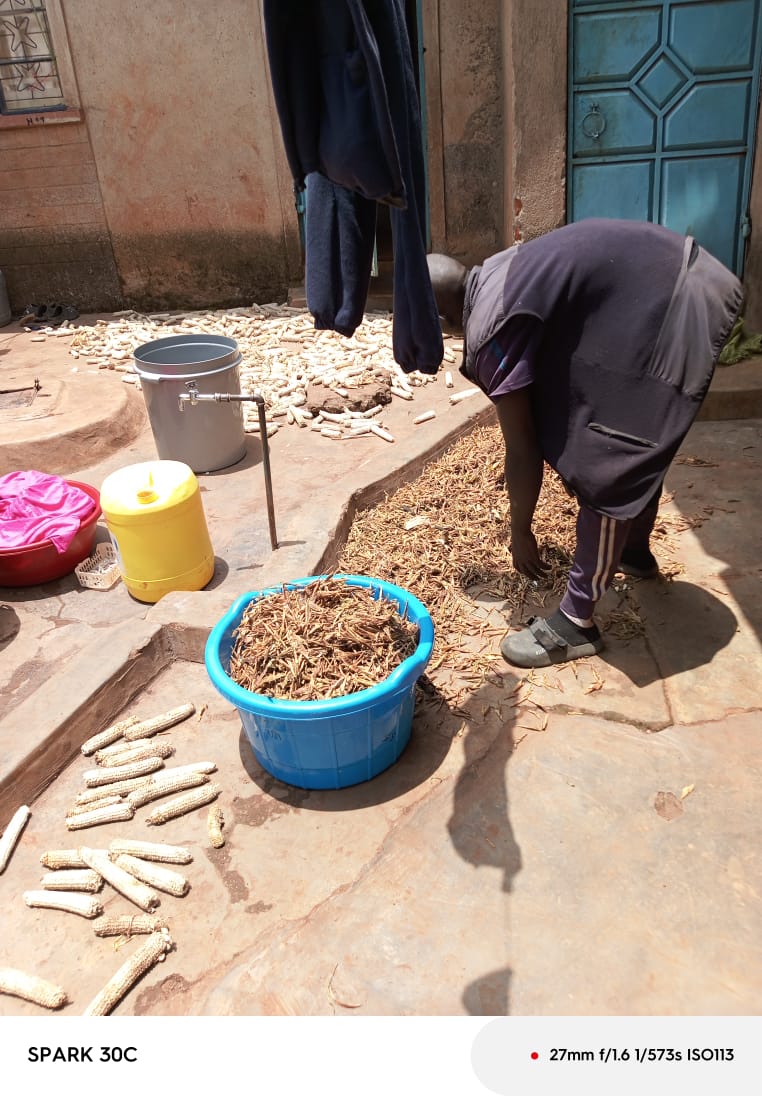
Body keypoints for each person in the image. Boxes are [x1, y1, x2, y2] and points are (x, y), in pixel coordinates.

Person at [427, 218, 744, 668]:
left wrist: (520, 532)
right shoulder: (496, 269)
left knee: (612, 453)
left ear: (442, 320)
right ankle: (632, 551)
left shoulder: (488, 329)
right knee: (630, 429)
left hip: (681, 306)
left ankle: (576, 622)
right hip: (694, 278)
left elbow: (523, 448)